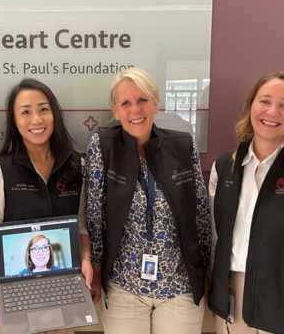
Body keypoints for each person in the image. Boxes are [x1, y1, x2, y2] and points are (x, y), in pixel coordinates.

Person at [86, 68, 210, 334]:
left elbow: (200, 214)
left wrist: (207, 270)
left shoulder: (183, 145)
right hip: (123, 285)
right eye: (126, 103)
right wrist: (96, 270)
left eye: (142, 100)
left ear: (156, 102)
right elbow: (95, 217)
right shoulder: (102, 146)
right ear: (115, 110)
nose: (135, 110)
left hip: (180, 286)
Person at [0, 78, 91, 334]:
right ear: (15, 121)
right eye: (25, 112)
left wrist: (85, 260)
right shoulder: (0, 172)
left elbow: (81, 227)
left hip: (63, 298)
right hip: (15, 302)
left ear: (54, 115)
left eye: (43, 109)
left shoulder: (77, 166)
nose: (36, 120)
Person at [208, 72, 284, 334]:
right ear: (251, 105)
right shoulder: (224, 167)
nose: (273, 111)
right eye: (265, 101)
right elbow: (215, 236)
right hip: (231, 294)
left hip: (278, 294)